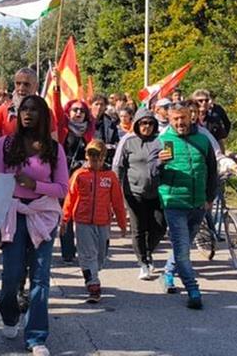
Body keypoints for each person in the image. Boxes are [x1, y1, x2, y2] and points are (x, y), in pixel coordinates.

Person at [0, 94, 67, 356]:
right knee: (11, 275)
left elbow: (61, 188)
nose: (28, 113)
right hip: (12, 213)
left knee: (40, 276)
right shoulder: (5, 144)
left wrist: (36, 185)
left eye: (34, 109)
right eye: (24, 109)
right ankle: (10, 314)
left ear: (43, 116)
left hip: (43, 215)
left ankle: (36, 337)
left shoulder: (54, 149)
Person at [156, 100, 217, 308]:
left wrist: (209, 198)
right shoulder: (162, 140)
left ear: (190, 117)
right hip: (174, 202)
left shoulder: (203, 140)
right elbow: (150, 174)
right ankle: (193, 289)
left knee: (183, 246)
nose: (180, 122)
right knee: (183, 250)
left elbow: (212, 172)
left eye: (183, 118)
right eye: (175, 119)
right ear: (169, 119)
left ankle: (167, 273)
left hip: (198, 204)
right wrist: (158, 163)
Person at [62, 140, 127, 303]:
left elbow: (117, 201)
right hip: (83, 221)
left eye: (98, 157)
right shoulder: (79, 174)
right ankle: (93, 283)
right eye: (91, 156)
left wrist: (121, 223)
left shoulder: (110, 177)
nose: (94, 160)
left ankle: (93, 272)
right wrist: (64, 219)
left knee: (100, 256)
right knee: (87, 254)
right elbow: (70, 198)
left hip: (103, 221)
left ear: (104, 157)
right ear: (86, 156)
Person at [114, 108, 167, 280]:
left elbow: (168, 165)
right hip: (133, 192)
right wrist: (115, 192)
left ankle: (148, 251)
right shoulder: (128, 141)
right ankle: (143, 262)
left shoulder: (161, 141)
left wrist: (164, 162)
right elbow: (118, 166)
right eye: (143, 123)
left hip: (156, 191)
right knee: (138, 228)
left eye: (151, 123)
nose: (147, 126)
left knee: (159, 226)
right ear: (137, 124)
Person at [58, 100, 95, 263]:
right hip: (64, 176)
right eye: (75, 110)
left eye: (82, 110)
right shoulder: (63, 129)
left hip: (83, 178)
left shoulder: (90, 131)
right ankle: (68, 251)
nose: (78, 113)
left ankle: (85, 248)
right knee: (66, 214)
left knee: (82, 213)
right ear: (69, 112)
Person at [0, 67, 39, 172]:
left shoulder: (46, 113)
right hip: (6, 176)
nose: (21, 88)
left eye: (26, 84)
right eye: (18, 83)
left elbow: (53, 148)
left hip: (36, 178)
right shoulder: (0, 112)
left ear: (36, 87)